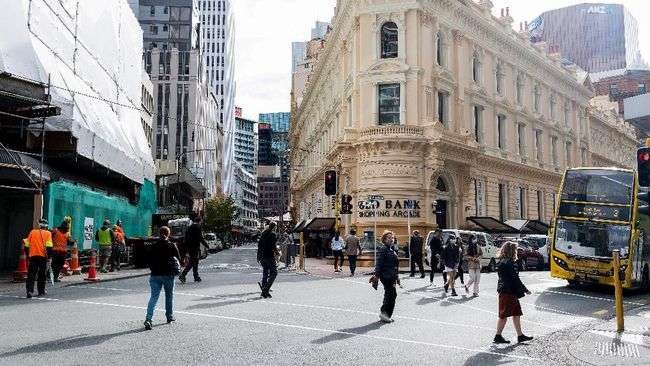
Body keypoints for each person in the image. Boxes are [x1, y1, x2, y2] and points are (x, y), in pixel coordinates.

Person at [494, 241, 534, 344]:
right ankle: (498, 336)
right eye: (515, 249)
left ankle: (520, 336)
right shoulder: (509, 263)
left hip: (508, 291)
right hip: (508, 292)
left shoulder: (504, 261)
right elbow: (515, 278)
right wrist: (525, 289)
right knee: (504, 315)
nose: (517, 251)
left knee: (516, 314)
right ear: (512, 251)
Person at [144, 226, 180, 330]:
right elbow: (178, 259)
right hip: (168, 274)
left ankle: (148, 319)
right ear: (168, 234)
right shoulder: (171, 245)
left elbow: (148, 259)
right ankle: (169, 316)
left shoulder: (153, 245)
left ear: (159, 234)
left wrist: (153, 268)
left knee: (153, 297)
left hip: (155, 274)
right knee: (169, 296)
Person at [371, 230, 400, 323]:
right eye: (389, 238)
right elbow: (379, 263)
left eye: (392, 237)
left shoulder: (392, 249)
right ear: (384, 239)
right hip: (386, 275)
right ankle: (385, 313)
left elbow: (395, 265)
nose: (391, 239)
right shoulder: (383, 249)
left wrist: (397, 277)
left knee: (391, 294)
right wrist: (376, 275)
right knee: (391, 294)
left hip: (392, 275)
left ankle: (385, 314)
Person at [24, 219, 53, 298]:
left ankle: (29, 291)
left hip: (33, 256)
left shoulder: (32, 232)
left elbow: (26, 245)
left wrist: (28, 255)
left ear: (39, 225)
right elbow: (49, 247)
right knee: (42, 274)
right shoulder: (48, 233)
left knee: (31, 274)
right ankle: (41, 291)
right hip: (43, 257)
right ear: (46, 226)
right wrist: (49, 258)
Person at [179, 215, 210, 284]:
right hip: (195, 247)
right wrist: (207, 245)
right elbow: (200, 238)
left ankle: (196, 276)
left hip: (190, 247)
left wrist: (186, 248)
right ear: (200, 221)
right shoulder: (197, 227)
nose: (201, 223)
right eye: (201, 221)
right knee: (193, 262)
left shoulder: (189, 227)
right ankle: (183, 274)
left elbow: (185, 238)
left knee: (195, 262)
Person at [257, 222, 279, 298]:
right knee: (274, 273)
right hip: (269, 256)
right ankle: (265, 289)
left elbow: (259, 246)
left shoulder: (263, 234)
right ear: (274, 227)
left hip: (262, 257)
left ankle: (264, 286)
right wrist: (277, 252)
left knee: (265, 272)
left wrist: (258, 257)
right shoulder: (273, 234)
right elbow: (273, 246)